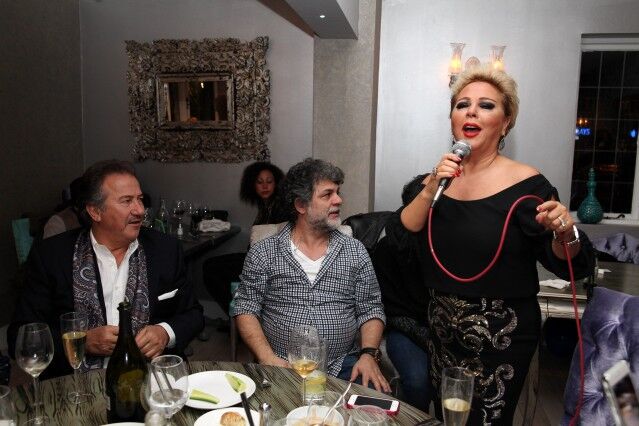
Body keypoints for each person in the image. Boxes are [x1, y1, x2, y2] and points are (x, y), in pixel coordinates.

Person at [398, 65, 594, 424]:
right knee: (448, 418)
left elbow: (567, 264)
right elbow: (405, 230)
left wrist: (565, 233)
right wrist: (431, 186)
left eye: (486, 105)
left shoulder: (528, 185)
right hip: (442, 330)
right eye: (462, 105)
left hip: (501, 336)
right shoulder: (435, 182)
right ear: (452, 120)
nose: (471, 111)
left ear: (505, 123)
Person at [8, 160, 204, 378]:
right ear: (95, 211)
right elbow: (20, 335)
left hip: (152, 380)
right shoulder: (52, 256)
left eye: (140, 199)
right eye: (126, 201)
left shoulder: (165, 250)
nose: (140, 210)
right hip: (74, 385)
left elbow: (194, 314)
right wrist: (81, 342)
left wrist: (165, 332)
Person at [232, 158, 390, 392]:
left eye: (338, 192)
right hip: (281, 364)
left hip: (343, 365)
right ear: (301, 205)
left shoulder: (355, 251)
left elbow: (371, 308)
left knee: (373, 407)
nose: (338, 200)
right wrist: (266, 357)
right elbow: (246, 307)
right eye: (327, 195)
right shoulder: (264, 252)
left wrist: (368, 354)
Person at [373, 174, 432, 411]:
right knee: (418, 381)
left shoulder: (448, 245)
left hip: (448, 329)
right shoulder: (387, 249)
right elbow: (385, 306)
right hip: (404, 328)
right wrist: (426, 337)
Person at [203, 161, 287, 318]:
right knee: (210, 266)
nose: (265, 186)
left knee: (211, 269)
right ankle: (238, 317)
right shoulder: (265, 205)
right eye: (259, 182)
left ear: (276, 184)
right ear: (252, 185)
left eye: (269, 182)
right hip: (255, 258)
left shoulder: (280, 207)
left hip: (266, 264)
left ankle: (240, 317)